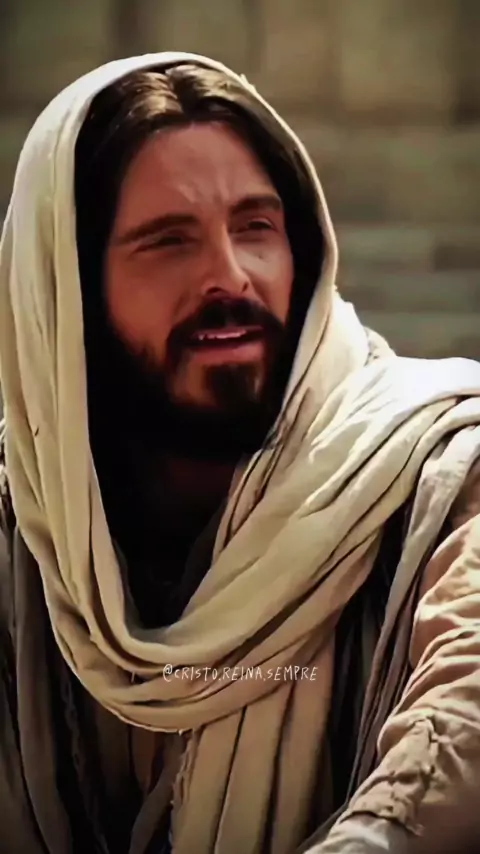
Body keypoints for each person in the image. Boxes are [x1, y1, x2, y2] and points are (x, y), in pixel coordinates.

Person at [0, 52, 480, 854]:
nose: (229, 277)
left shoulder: (436, 463)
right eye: (168, 242)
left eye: (256, 228)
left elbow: (463, 723)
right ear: (67, 292)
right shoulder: (22, 518)